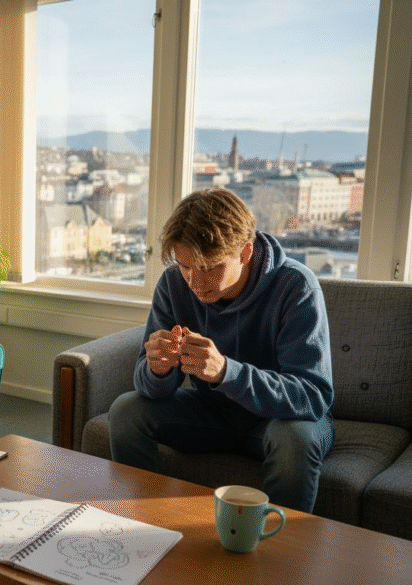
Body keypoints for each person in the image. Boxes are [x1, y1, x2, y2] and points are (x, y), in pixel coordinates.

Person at [108, 188, 335, 513]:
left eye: (210, 267)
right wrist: (158, 368)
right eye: (186, 266)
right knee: (126, 411)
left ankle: (280, 553)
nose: (195, 282)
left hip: (280, 420)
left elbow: (312, 397)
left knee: (295, 442)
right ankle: (143, 524)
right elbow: (148, 387)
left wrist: (227, 372)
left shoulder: (296, 287)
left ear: (245, 252)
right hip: (213, 413)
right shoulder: (174, 284)